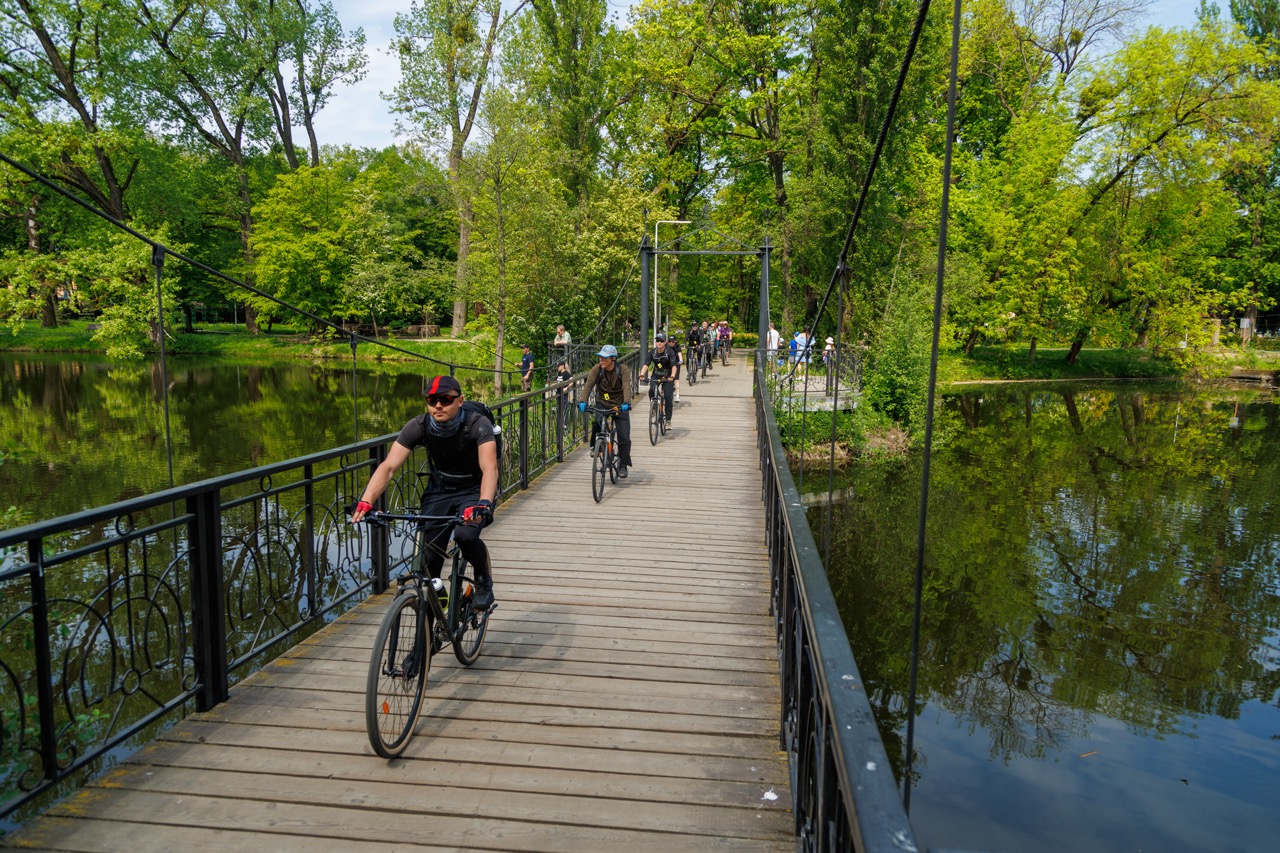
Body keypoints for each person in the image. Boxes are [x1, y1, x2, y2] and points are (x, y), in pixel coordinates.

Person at [351, 375, 498, 609]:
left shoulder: (478, 425)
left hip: (474, 490)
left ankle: (482, 579)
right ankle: (435, 617)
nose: (438, 405)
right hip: (439, 490)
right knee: (429, 560)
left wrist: (483, 503)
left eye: (445, 399)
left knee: (465, 536)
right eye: (432, 400)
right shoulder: (419, 425)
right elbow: (388, 467)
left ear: (460, 400)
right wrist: (366, 501)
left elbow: (489, 467)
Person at [582, 344, 634, 478]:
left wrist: (626, 403)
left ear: (613, 359)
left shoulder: (623, 370)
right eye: (600, 357)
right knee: (597, 421)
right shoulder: (597, 369)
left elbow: (626, 387)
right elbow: (588, 384)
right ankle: (596, 446)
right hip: (603, 403)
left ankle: (623, 464)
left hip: (619, 405)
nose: (601, 360)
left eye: (604, 358)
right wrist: (582, 401)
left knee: (624, 438)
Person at [639, 333, 677, 429]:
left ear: (665, 342)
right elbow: (646, 364)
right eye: (657, 341)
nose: (659, 343)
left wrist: (672, 376)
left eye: (661, 341)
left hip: (668, 376)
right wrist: (642, 374)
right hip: (656, 375)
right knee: (651, 390)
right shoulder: (652, 352)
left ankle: (668, 420)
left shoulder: (670, 352)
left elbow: (674, 366)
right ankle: (654, 407)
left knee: (668, 396)